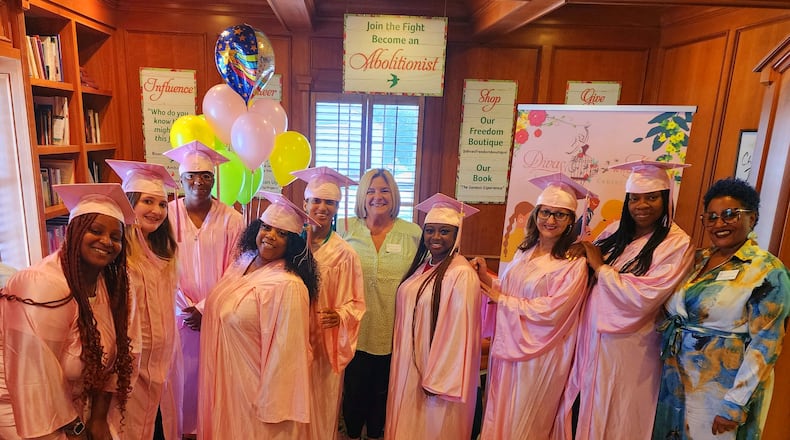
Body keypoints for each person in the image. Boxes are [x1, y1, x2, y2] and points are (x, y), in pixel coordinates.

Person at [559, 160, 693, 440]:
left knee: (621, 412)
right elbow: (588, 263)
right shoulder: (615, 231)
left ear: (666, 198)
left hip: (631, 346)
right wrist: (582, 252)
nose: (641, 205)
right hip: (593, 338)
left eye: (651, 197)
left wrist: (600, 268)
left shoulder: (676, 242)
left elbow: (645, 296)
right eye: (634, 198)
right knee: (588, 407)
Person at [653, 178, 790, 440]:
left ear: (752, 217)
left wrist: (734, 405)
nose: (719, 223)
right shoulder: (696, 259)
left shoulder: (768, 271)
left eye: (730, 214)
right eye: (711, 217)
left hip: (719, 390)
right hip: (675, 382)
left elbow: (766, 345)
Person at [0, 183, 136, 440]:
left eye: (116, 237)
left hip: (72, 404)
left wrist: (97, 418)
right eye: (95, 230)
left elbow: (115, 355)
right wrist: (76, 429)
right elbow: (36, 376)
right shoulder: (40, 285)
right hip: (21, 407)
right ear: (74, 231)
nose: (106, 241)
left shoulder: (111, 285)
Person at [472, 173, 592, 440]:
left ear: (570, 220)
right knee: (502, 411)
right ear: (536, 214)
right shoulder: (524, 251)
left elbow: (554, 311)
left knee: (525, 419)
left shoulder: (573, 263)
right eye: (545, 212)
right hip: (510, 347)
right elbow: (509, 288)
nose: (550, 220)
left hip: (540, 354)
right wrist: (486, 278)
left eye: (560, 214)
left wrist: (503, 300)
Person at [198, 191, 320, 440]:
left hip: (252, 391)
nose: (270, 236)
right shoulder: (245, 261)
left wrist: (271, 406)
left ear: (292, 243)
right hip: (224, 378)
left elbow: (286, 356)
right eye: (266, 227)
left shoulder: (288, 286)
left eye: (281, 233)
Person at [163, 141, 245, 438]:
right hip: (177, 316)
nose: (199, 182)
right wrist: (185, 308)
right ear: (181, 178)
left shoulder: (233, 219)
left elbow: (238, 267)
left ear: (214, 178)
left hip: (218, 315)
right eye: (192, 176)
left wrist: (205, 307)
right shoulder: (166, 216)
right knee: (180, 380)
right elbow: (159, 264)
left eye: (206, 176)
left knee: (213, 378)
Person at [385, 193, 482, 439]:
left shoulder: (461, 274)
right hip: (409, 363)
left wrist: (438, 379)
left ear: (456, 235)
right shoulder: (424, 266)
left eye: (444, 231)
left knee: (432, 425)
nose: (435, 237)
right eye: (430, 230)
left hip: (435, 372)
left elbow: (458, 335)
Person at [341, 168, 422, 440]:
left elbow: (429, 272)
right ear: (362, 196)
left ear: (394, 195)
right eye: (371, 191)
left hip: (393, 333)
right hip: (355, 331)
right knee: (353, 398)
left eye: (385, 190)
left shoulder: (412, 233)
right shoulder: (345, 228)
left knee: (382, 399)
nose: (378, 196)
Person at [106, 159, 181, 439]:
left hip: (162, 361)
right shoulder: (118, 254)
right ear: (129, 204)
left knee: (158, 423)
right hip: (129, 362)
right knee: (127, 425)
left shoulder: (165, 251)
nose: (157, 210)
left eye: (162, 204)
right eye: (147, 201)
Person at [291, 167, 366, 440]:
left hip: (324, 344)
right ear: (305, 203)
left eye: (330, 202)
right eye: (316, 201)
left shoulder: (345, 254)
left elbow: (357, 302)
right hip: (291, 338)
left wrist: (340, 315)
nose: (322, 208)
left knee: (321, 404)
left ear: (337, 208)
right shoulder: (290, 247)